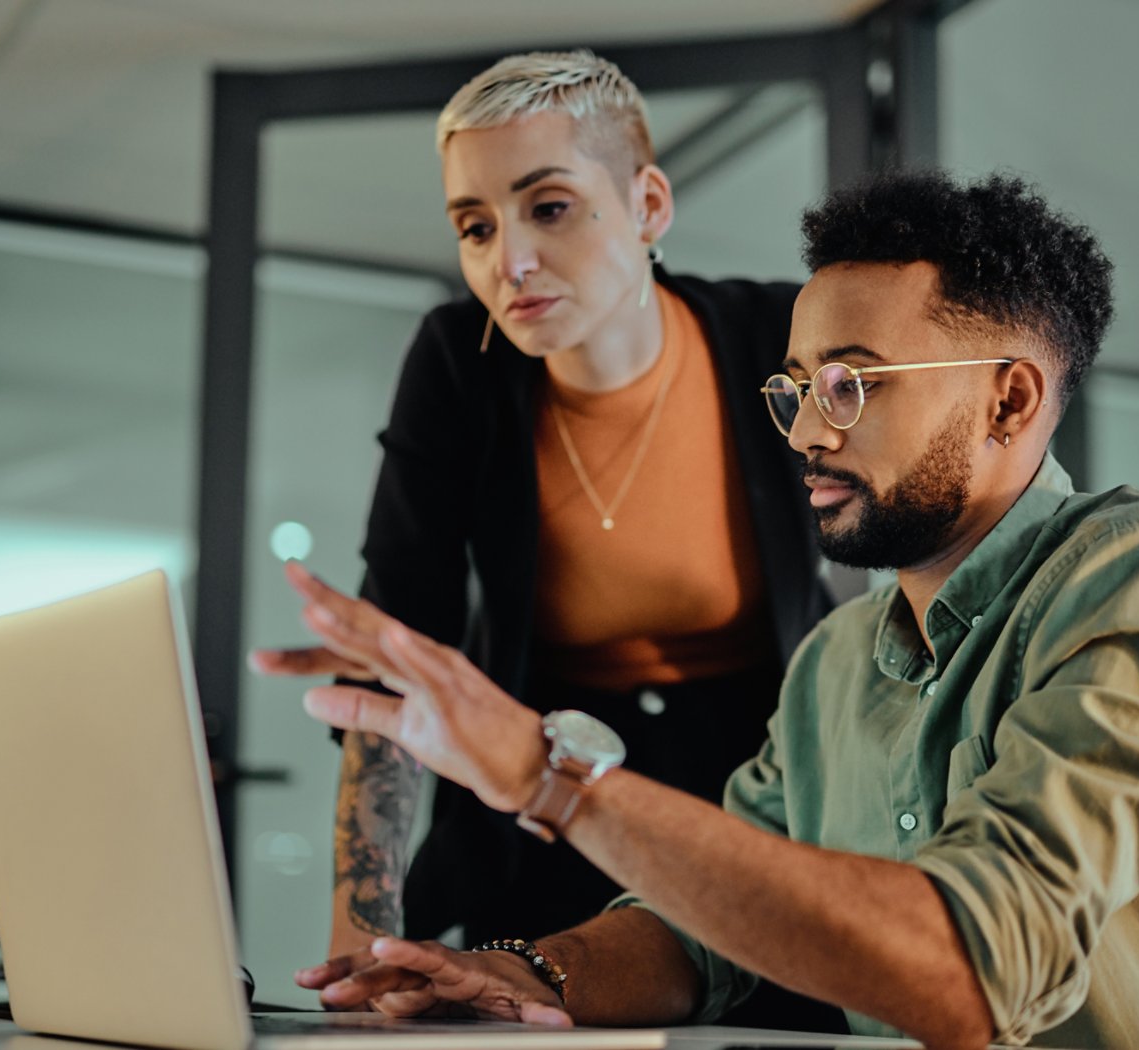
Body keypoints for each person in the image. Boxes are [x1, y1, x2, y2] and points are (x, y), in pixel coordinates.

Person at [255, 170, 1139, 1049]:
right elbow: (694, 929)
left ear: (1008, 401)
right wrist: (529, 975)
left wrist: (551, 776)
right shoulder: (834, 661)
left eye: (850, 386)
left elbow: (977, 969)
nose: (803, 431)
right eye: (793, 389)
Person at [255, 49, 835, 1028]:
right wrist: (355, 947)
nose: (506, 260)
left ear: (648, 205)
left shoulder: (777, 339)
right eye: (473, 226)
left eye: (548, 208)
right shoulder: (457, 365)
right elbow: (398, 660)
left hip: (752, 805)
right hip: (536, 807)